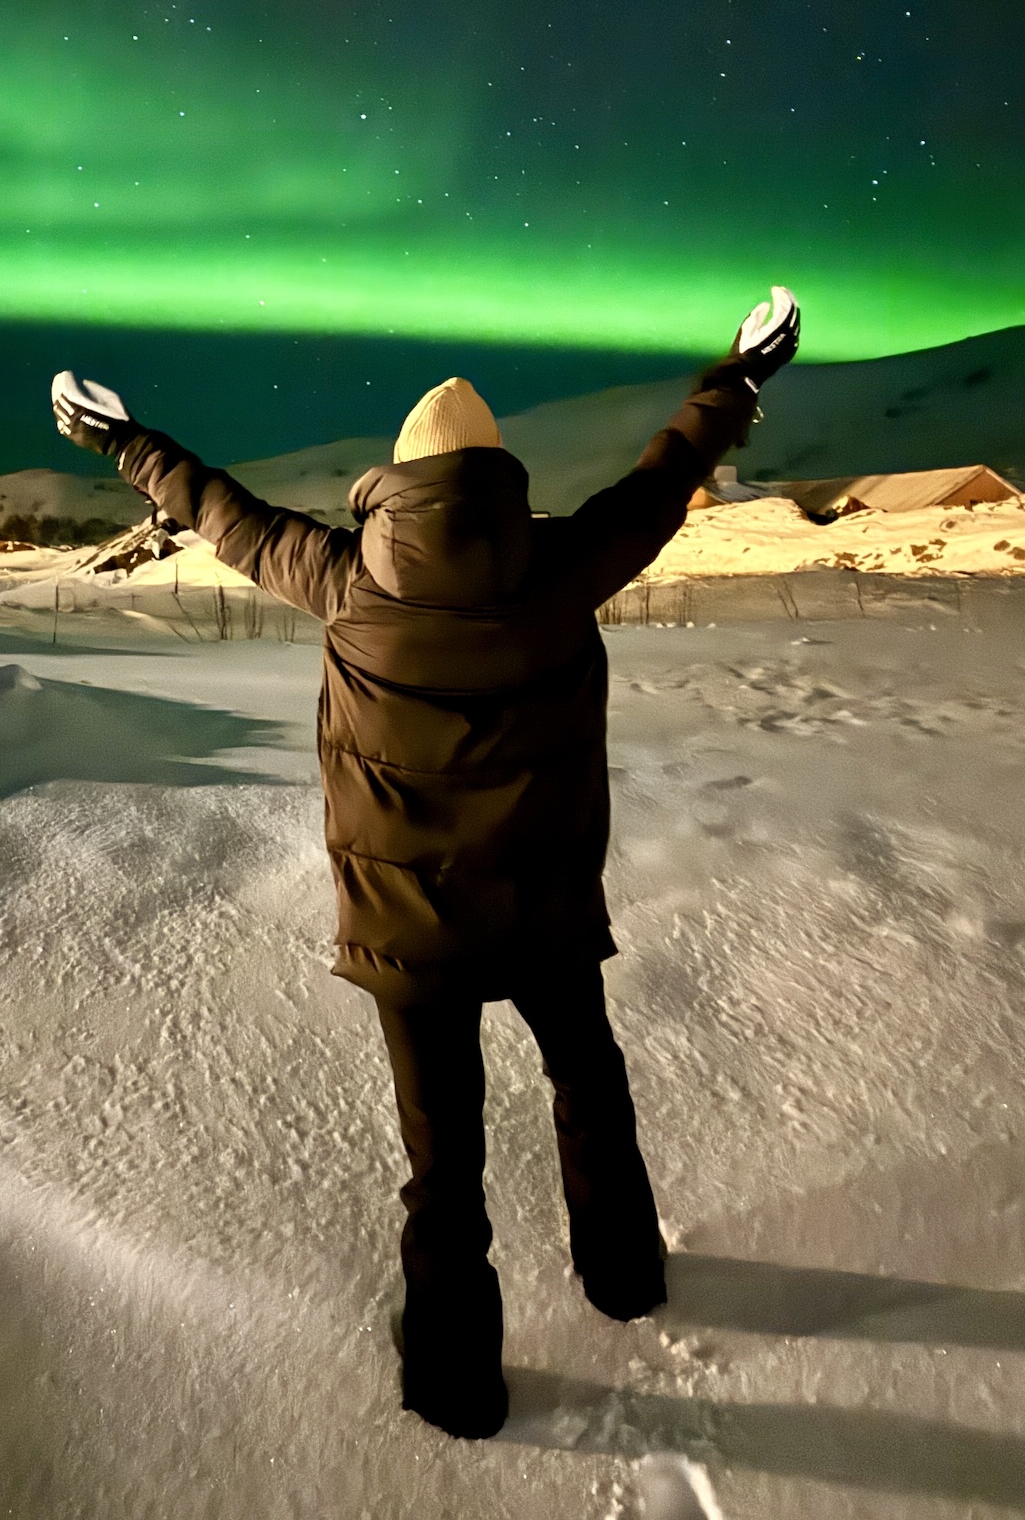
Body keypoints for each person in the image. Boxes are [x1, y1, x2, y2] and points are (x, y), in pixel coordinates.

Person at [51, 289, 801, 1441]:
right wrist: (737, 382)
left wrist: (122, 440)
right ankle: (625, 1278)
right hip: (545, 914)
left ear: (397, 484)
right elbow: (664, 481)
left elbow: (222, 511)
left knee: (442, 1167)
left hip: (413, 933)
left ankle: (458, 1381)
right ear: (499, 478)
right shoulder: (562, 566)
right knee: (588, 1088)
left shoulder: (343, 576)